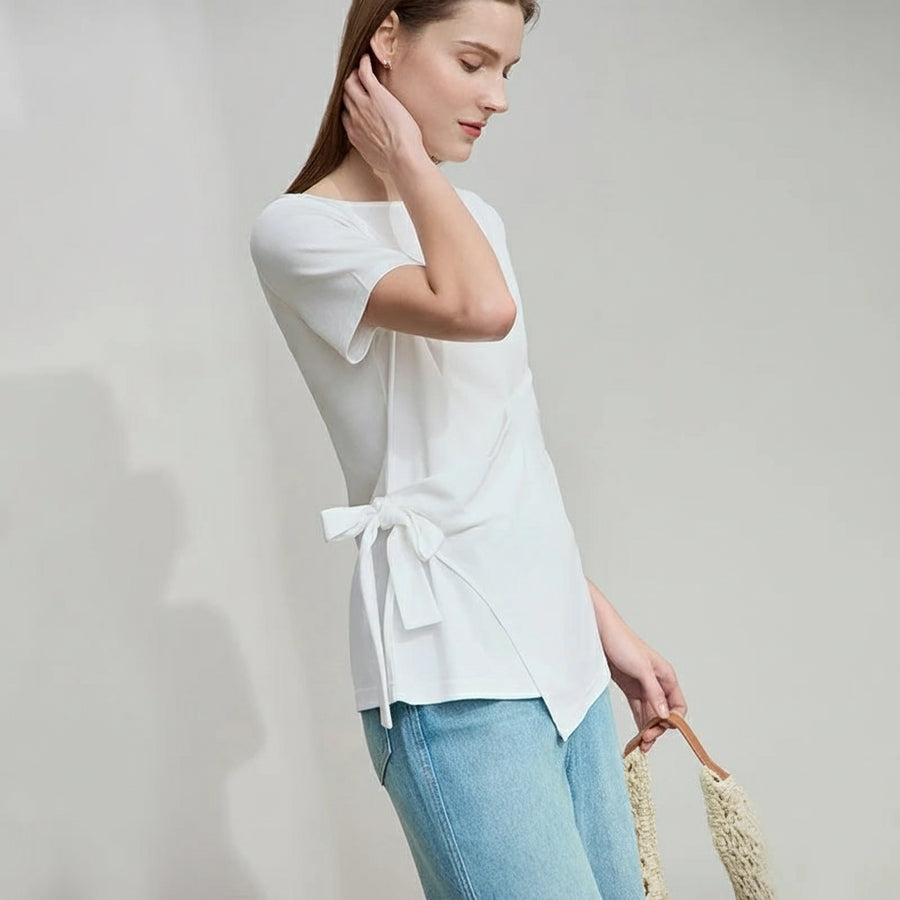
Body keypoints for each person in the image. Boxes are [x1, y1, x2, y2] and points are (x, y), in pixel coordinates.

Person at [249, 1, 688, 896]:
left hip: (559, 660)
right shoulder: (301, 231)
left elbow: (502, 458)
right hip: (449, 672)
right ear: (386, 40)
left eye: (508, 72)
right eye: (475, 61)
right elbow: (479, 314)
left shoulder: (473, 224)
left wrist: (607, 632)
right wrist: (406, 157)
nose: (497, 97)